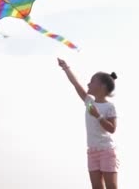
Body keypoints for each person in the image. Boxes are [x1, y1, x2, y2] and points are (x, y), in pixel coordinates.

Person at [57, 58, 119, 189]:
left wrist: (98, 116)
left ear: (102, 87)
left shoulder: (109, 106)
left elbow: (112, 129)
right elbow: (75, 84)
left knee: (111, 186)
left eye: (92, 82)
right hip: (92, 152)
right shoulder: (89, 101)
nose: (88, 84)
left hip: (107, 151)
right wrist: (65, 67)